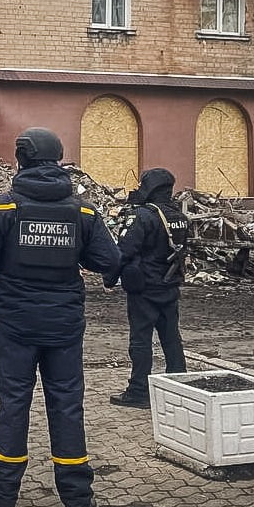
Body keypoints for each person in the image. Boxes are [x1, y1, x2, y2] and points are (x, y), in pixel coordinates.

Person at [0, 127, 120, 507]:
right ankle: (77, 499)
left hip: (15, 325)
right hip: (65, 326)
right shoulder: (82, 212)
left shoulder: (4, 207)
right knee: (67, 404)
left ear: (22, 159)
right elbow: (109, 260)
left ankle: (3, 495)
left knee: (14, 402)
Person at [104, 168, 190, 408]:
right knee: (171, 338)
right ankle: (180, 386)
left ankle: (139, 391)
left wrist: (109, 279)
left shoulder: (143, 216)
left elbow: (123, 251)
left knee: (141, 341)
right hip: (170, 286)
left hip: (144, 289)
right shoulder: (181, 217)